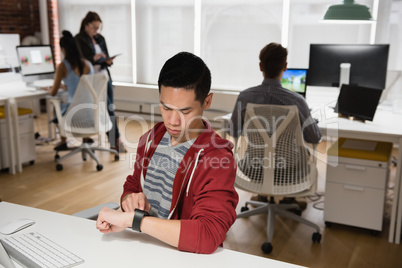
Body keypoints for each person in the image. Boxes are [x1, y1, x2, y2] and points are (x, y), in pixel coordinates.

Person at [96, 52, 239, 254]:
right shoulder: (150, 139)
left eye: (185, 111)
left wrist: (135, 220)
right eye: (165, 107)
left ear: (207, 102)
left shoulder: (217, 159)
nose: (172, 120)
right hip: (143, 248)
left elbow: (207, 235)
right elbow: (134, 184)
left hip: (181, 257)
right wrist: (131, 199)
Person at [230, 42, 321, 208]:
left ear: (260, 66)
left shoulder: (244, 97)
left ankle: (264, 194)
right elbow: (314, 137)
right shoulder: (297, 101)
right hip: (291, 171)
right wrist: (311, 122)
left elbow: (233, 130)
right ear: (285, 67)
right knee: (304, 151)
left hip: (253, 168)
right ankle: (288, 198)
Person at [75, 11, 125, 152]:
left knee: (109, 108)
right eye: (94, 27)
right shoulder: (78, 39)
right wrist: (94, 58)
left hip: (104, 77)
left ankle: (112, 140)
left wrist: (108, 61)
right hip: (90, 79)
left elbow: (105, 57)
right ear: (86, 25)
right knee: (99, 108)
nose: (96, 31)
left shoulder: (100, 38)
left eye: (98, 28)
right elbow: (80, 61)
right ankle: (116, 139)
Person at [47, 30, 94, 150]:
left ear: (63, 49)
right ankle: (86, 137)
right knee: (81, 103)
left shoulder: (63, 66)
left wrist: (48, 89)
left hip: (75, 115)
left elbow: (53, 92)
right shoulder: (88, 64)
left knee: (56, 107)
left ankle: (63, 141)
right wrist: (67, 86)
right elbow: (83, 85)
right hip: (92, 113)